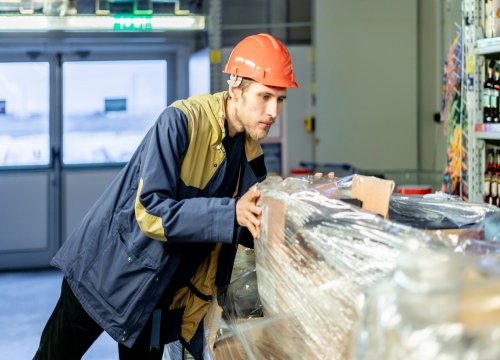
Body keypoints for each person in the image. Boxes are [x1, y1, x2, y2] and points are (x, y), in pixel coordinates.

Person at [33, 33, 299, 360]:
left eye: (280, 100)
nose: (273, 111)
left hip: (159, 293)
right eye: (264, 96)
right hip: (106, 273)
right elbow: (151, 211)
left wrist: (309, 200)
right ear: (235, 88)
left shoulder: (250, 154)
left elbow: (247, 223)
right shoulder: (180, 122)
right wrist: (231, 213)